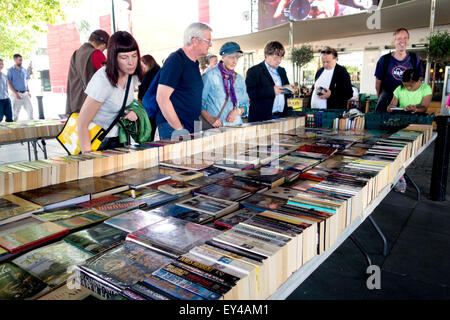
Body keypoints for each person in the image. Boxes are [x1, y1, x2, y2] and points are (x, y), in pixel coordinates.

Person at [78, 31, 142, 154]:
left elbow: (122, 102)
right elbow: (82, 123)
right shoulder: (103, 80)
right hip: (97, 141)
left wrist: (132, 111)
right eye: (124, 57)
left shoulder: (131, 75)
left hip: (119, 138)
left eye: (134, 56)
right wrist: (88, 157)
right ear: (113, 58)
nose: (131, 62)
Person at [155, 22, 213, 139]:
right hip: (174, 127)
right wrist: (179, 128)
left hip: (193, 126)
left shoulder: (194, 62)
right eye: (208, 40)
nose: (210, 44)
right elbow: (162, 98)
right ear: (195, 40)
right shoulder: (175, 60)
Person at [201, 42, 249, 128]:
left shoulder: (239, 79)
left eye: (237, 57)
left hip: (236, 127)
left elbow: (246, 104)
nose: (235, 61)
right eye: (231, 57)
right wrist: (210, 118)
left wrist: (238, 111)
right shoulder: (209, 76)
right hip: (215, 129)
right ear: (223, 57)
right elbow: (199, 102)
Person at [375, 28, 423, 112]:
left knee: (406, 123)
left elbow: (419, 79)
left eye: (405, 38)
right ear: (394, 41)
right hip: (387, 97)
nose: (402, 41)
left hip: (407, 98)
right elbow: (378, 82)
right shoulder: (384, 59)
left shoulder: (415, 59)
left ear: (408, 40)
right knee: (382, 122)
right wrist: (380, 97)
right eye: (399, 38)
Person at [66, 29, 110, 114]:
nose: (103, 51)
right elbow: (109, 77)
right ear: (103, 45)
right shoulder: (96, 53)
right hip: (91, 107)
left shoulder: (76, 54)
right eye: (104, 49)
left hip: (76, 105)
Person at [245, 41, 291, 122]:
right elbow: (250, 93)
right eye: (276, 58)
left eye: (281, 58)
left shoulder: (282, 71)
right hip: (262, 118)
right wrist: (271, 90)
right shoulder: (254, 71)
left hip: (281, 117)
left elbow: (285, 92)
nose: (279, 61)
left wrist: (289, 89)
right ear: (267, 55)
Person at [138, 54, 160, 141]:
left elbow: (142, 94)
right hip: (158, 107)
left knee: (148, 132)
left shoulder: (147, 76)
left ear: (147, 63)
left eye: (142, 65)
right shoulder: (159, 72)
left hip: (149, 108)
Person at [7, 54, 33, 121]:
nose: (21, 61)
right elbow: (9, 83)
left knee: (30, 111)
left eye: (21, 60)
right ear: (15, 60)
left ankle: (31, 127)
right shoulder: (10, 70)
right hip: (16, 94)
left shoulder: (24, 70)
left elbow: (26, 82)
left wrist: (28, 91)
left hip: (25, 94)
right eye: (20, 60)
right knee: (15, 114)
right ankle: (14, 129)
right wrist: (16, 93)